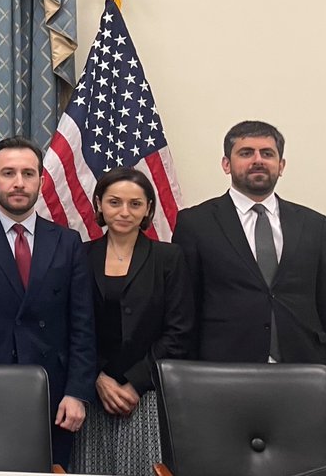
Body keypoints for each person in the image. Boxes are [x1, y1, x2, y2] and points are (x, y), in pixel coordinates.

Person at [174, 120, 326, 428]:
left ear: (281, 165)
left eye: (267, 153)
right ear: (226, 163)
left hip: (305, 375)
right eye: (246, 152)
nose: (258, 160)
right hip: (222, 379)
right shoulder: (196, 223)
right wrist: (182, 385)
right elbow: (184, 310)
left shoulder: (313, 224)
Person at [0, 135, 96, 469]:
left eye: (28, 174)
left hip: (54, 395)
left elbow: (82, 325)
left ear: (42, 181)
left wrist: (77, 392)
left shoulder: (68, 242)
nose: (18, 183)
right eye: (8, 173)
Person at [70, 167, 193, 476]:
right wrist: (98, 378)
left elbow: (179, 332)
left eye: (135, 204)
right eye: (114, 202)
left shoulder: (169, 258)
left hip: (147, 395)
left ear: (148, 208)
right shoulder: (79, 256)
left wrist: (134, 384)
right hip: (93, 392)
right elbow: (72, 325)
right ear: (99, 205)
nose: (124, 212)